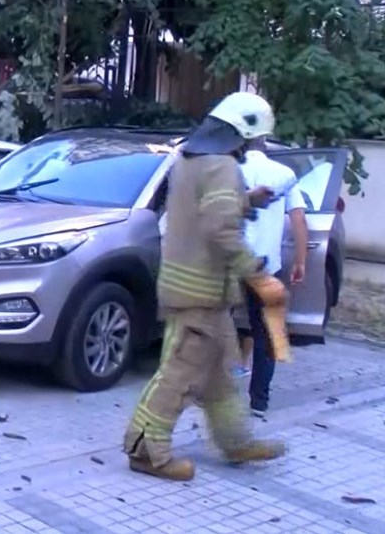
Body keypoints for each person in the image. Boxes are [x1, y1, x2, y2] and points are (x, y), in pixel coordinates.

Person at [123, 91, 288, 482]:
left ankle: (235, 442)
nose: (252, 146)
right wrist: (258, 275)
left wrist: (247, 200)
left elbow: (205, 208)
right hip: (202, 293)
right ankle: (146, 449)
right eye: (252, 139)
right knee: (177, 376)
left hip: (192, 289)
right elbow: (220, 228)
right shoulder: (222, 168)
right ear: (240, 133)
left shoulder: (189, 160)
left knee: (218, 379)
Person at [234, 137, 308, 418]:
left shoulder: (230, 171)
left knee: (214, 324)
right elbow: (298, 218)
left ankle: (207, 391)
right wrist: (300, 260)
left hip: (229, 261)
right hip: (266, 265)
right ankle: (259, 402)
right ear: (265, 143)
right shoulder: (285, 174)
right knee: (266, 332)